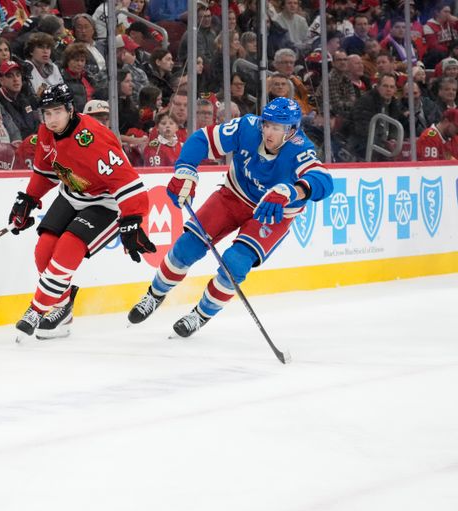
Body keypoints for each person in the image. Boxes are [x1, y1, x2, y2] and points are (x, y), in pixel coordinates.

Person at [127, 97, 333, 337]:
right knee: (186, 247)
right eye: (267, 124)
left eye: (277, 128)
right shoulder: (247, 127)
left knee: (235, 263)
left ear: (292, 130)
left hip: (270, 213)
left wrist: (291, 191)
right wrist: (186, 169)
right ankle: (154, 295)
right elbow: (202, 139)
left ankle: (200, 314)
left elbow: (324, 181)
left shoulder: (301, 148)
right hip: (232, 196)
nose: (269, 131)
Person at [8, 83, 154, 339]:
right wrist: (28, 199)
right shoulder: (45, 131)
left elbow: (128, 183)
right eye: (47, 113)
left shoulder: (92, 137)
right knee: (44, 251)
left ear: (70, 109)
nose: (51, 120)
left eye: (57, 112)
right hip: (72, 193)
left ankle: (36, 309)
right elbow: (46, 172)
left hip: (104, 202)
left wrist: (133, 220)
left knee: (67, 247)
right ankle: (63, 308)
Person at [0, 60, 41, 138]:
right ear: (1, 81)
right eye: (10, 76)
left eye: (18, 75)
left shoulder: (24, 99)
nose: (15, 79)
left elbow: (36, 125)